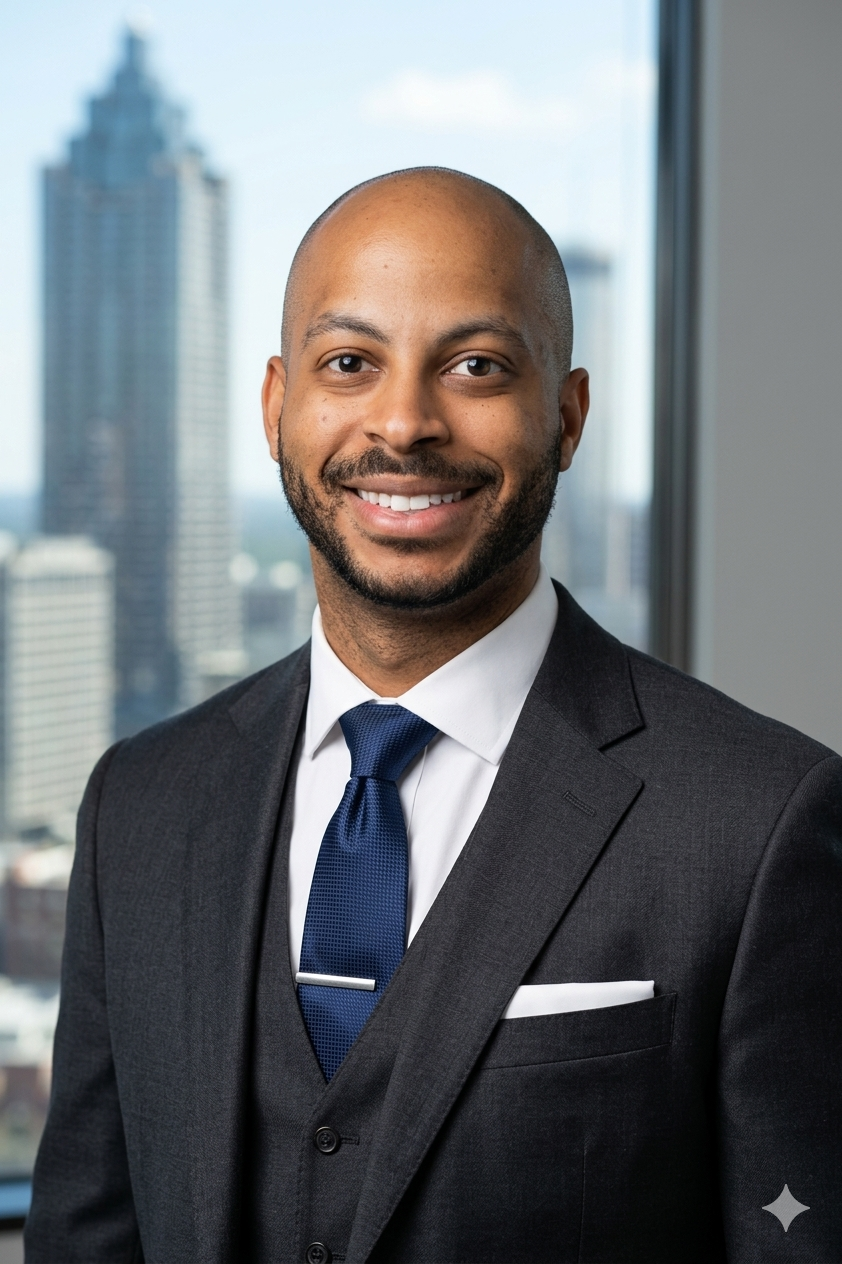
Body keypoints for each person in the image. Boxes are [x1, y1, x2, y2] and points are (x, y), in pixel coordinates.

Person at [26, 167, 842, 1264]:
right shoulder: (142, 800)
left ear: (564, 416)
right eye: (349, 363)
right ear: (278, 408)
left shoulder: (756, 821)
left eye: (474, 366)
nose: (403, 422)